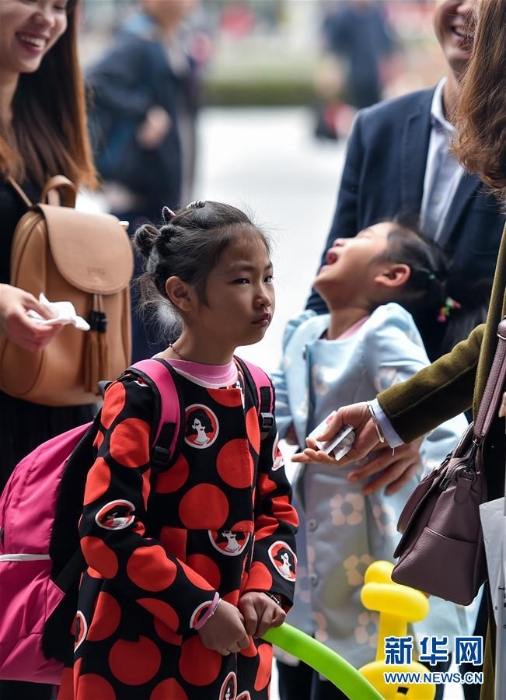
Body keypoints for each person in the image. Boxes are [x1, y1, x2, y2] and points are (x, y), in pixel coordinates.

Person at [293, 2, 506, 697]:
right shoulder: (380, 127)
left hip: (459, 456)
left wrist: (421, 425)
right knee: (359, 631)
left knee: (442, 632)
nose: (469, 12)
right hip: (369, 464)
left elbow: (495, 333)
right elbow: (322, 298)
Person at [56, 200, 298, 700]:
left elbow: (276, 508)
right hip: (134, 648)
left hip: (232, 651)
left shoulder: (258, 389)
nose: (263, 298)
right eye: (241, 281)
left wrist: (264, 588)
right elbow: (107, 526)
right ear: (182, 294)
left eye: (268, 278)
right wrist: (199, 607)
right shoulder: (143, 392)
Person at [271, 220, 472, 700]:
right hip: (313, 561)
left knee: (365, 677)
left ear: (392, 275)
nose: (338, 239)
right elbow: (264, 410)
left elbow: (449, 428)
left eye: (361, 239)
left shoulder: (382, 330)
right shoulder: (303, 334)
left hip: (372, 560)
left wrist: (415, 435)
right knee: (302, 668)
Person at [307, 0, 505, 363]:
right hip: (363, 394)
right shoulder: (377, 128)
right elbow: (329, 279)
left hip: (476, 403)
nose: (469, 10)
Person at [0, 0, 97, 698]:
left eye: (61, 3)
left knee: (33, 644)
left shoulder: (44, 127)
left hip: (46, 420)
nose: (48, 17)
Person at [86, 0, 201, 363]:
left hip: (160, 192)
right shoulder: (137, 40)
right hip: (138, 194)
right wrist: (143, 112)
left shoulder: (171, 40)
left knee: (155, 296)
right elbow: (95, 81)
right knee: (143, 300)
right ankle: (141, 385)